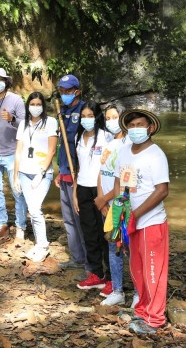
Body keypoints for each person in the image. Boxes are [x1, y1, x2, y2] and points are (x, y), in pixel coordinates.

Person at [115, 108, 170, 335]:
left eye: (140, 125)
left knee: (152, 271)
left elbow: (162, 190)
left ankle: (155, 319)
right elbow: (122, 183)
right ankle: (142, 310)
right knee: (136, 268)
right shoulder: (125, 151)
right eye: (132, 125)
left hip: (150, 222)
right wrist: (120, 213)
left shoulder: (156, 155)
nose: (135, 129)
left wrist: (136, 215)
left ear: (150, 128)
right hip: (129, 219)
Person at [0, 67, 27, 241]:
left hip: (12, 153)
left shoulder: (16, 100)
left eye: (0, 79)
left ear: (7, 82)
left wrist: (12, 119)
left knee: (18, 191)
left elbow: (25, 124)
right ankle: (2, 224)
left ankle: (21, 225)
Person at [12, 92, 58, 262]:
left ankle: (43, 245)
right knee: (33, 209)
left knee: (35, 208)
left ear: (43, 106)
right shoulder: (23, 124)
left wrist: (42, 172)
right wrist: (16, 176)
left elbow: (52, 150)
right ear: (28, 105)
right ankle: (40, 244)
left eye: (39, 104)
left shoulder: (51, 122)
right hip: (24, 172)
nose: (36, 107)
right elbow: (18, 151)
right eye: (33, 104)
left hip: (42, 173)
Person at [75, 101, 111, 290]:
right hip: (82, 188)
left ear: (97, 117)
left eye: (90, 116)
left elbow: (108, 168)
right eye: (83, 116)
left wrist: (104, 196)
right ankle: (96, 274)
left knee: (105, 233)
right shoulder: (78, 137)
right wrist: (75, 193)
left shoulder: (106, 138)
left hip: (101, 191)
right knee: (89, 233)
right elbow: (79, 167)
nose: (86, 119)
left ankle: (112, 277)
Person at [95, 104, 130, 306]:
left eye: (115, 117)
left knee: (127, 247)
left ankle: (137, 291)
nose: (111, 121)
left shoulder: (128, 145)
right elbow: (102, 172)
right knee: (112, 246)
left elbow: (123, 181)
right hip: (106, 204)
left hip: (121, 204)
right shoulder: (109, 143)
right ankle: (117, 290)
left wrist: (108, 199)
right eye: (107, 118)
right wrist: (101, 199)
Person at [54, 74, 88, 271]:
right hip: (66, 172)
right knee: (68, 219)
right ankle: (77, 258)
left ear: (77, 91)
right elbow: (62, 145)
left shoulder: (85, 111)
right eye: (62, 90)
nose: (64, 94)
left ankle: (90, 261)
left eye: (68, 90)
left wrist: (79, 174)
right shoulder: (62, 112)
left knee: (81, 218)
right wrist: (61, 171)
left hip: (79, 175)